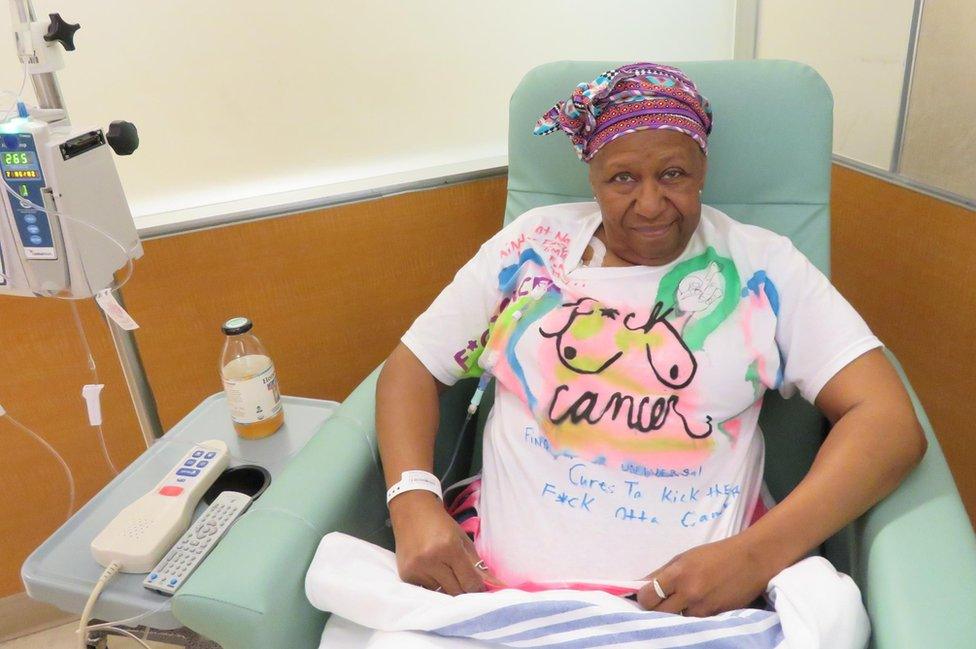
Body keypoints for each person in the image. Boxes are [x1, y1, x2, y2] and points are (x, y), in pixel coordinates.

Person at [375, 62, 926, 617]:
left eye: (673, 174)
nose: (650, 204)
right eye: (622, 179)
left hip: (692, 619)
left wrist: (756, 557)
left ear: (702, 168)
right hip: (485, 597)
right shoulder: (531, 249)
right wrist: (413, 500)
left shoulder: (762, 268)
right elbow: (412, 366)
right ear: (591, 177)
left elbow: (887, 421)